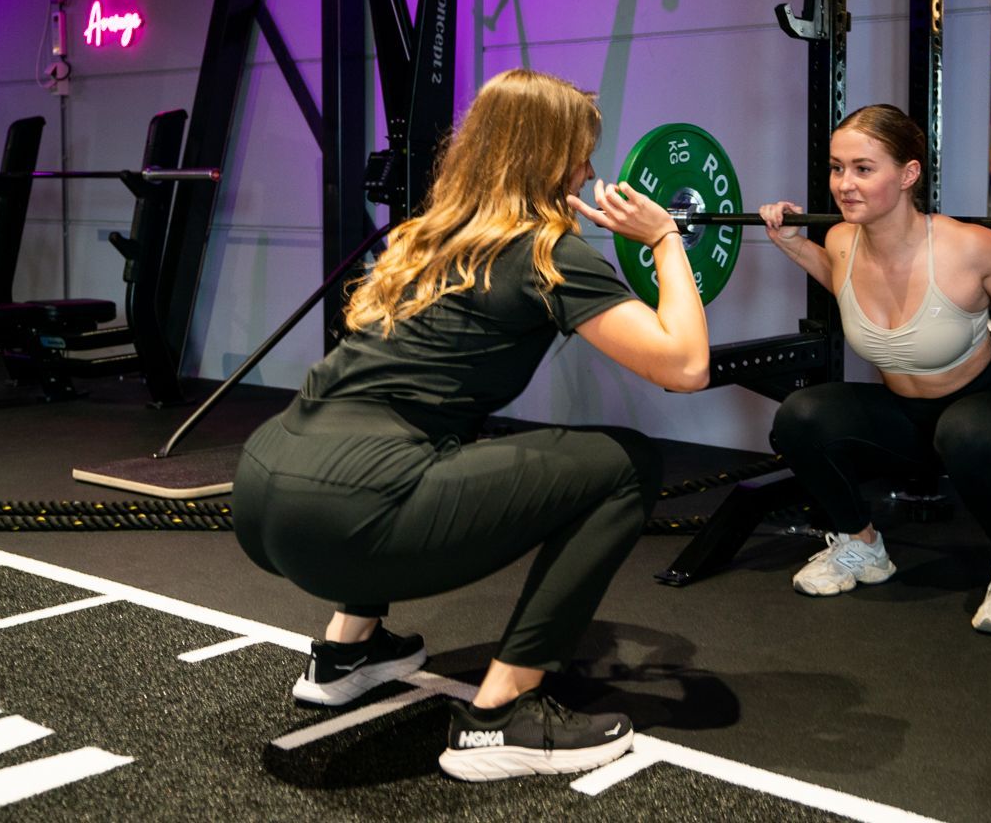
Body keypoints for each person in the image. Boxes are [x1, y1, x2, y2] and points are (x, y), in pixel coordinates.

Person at [231, 69, 709, 782]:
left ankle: (346, 651)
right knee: (626, 463)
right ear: (549, 159)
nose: (589, 168)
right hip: (348, 512)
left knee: (439, 436)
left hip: (262, 487)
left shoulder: (422, 238)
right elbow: (685, 364)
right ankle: (502, 716)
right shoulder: (545, 251)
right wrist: (665, 239)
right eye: (582, 152)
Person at [760, 104, 991, 635]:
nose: (844, 184)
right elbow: (843, 282)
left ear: (909, 174)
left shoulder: (967, 246)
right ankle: (862, 545)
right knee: (800, 416)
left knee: (966, 432)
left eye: (863, 168)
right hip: (910, 417)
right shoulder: (842, 240)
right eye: (836, 167)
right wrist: (793, 244)